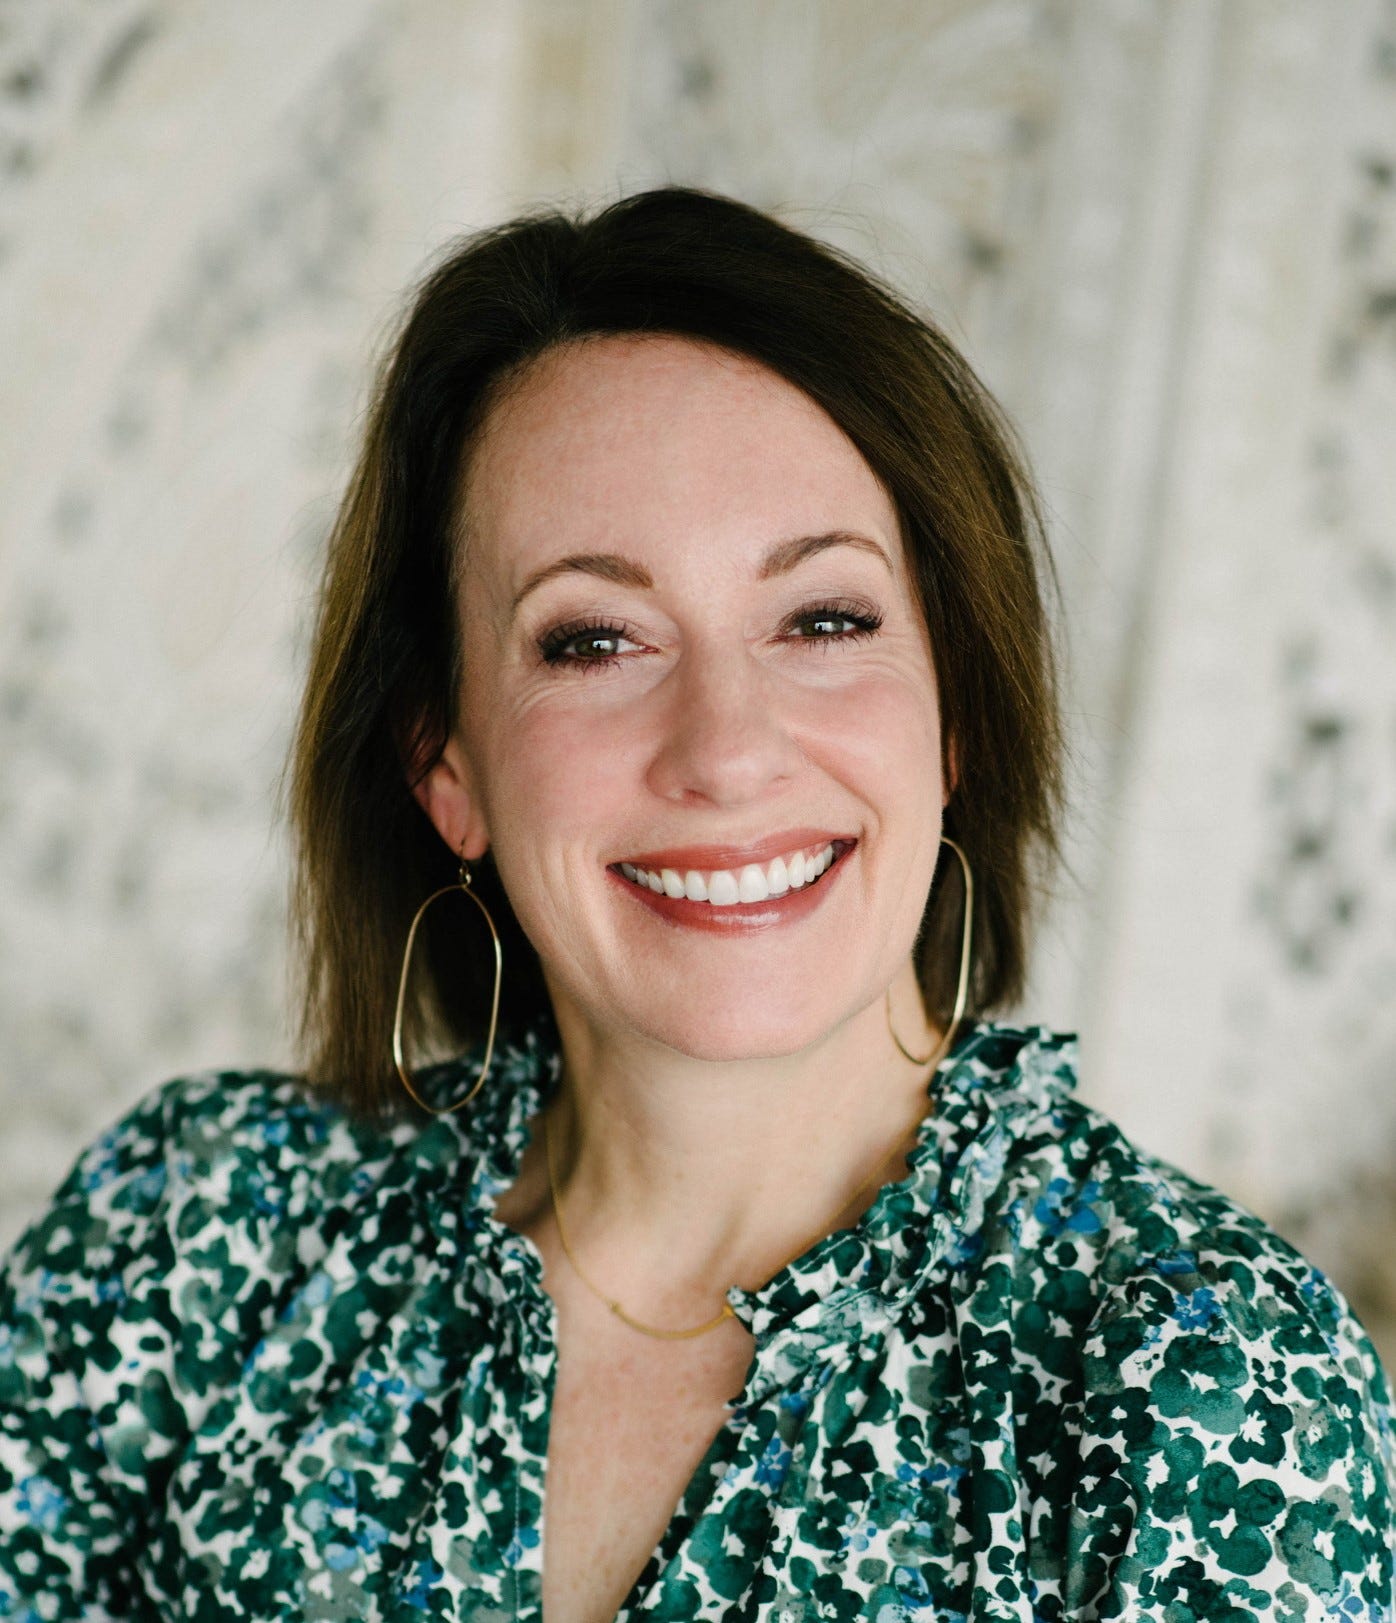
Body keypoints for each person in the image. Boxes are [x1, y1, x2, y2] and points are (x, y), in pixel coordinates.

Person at [1, 186, 1392, 1623]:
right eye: (594, 639)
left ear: (954, 710)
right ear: (447, 765)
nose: (725, 751)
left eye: (826, 619)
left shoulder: (1202, 1374)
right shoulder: (197, 1236)